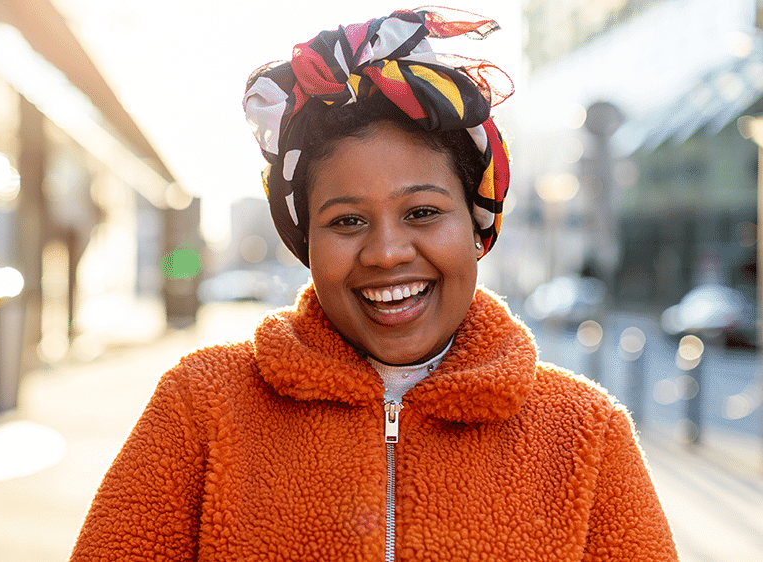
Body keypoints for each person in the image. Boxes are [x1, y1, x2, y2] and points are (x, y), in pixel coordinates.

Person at [70, 7, 677, 561]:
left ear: (477, 224)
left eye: (423, 213)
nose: (386, 253)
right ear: (305, 241)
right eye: (347, 221)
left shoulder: (585, 434)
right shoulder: (201, 408)